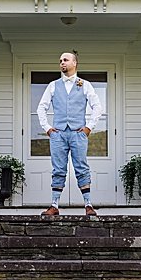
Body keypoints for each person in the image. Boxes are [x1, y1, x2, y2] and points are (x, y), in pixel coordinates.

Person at [34, 50, 103, 216]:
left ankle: (88, 205)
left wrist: (89, 127)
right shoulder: (53, 85)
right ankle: (54, 205)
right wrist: (47, 128)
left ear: (74, 63)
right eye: (60, 61)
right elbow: (41, 108)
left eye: (65, 60)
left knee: (81, 167)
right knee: (58, 169)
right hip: (58, 134)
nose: (62, 63)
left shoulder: (84, 84)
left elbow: (97, 107)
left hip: (78, 133)